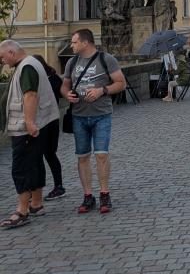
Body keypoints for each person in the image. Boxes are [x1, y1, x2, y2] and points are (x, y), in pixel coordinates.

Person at [59, 30, 126, 214]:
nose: (71, 45)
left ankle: (104, 193)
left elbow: (121, 83)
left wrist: (102, 90)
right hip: (79, 115)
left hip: (101, 114)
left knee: (101, 155)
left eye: (74, 42)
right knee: (82, 157)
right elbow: (64, 86)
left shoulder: (106, 59)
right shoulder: (72, 62)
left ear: (85, 43)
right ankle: (88, 196)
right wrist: (67, 94)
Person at [0, 40, 60, 229]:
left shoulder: (26, 67)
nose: (3, 61)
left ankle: (22, 210)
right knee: (34, 163)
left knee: (21, 167)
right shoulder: (31, 62)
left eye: (2, 57)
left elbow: (30, 95)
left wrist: (29, 122)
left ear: (11, 52)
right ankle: (36, 204)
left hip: (25, 127)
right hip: (38, 123)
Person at [33, 54, 66, 198]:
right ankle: (58, 186)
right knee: (50, 154)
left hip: (43, 122)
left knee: (40, 156)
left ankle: (36, 191)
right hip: (53, 121)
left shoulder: (42, 80)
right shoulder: (54, 78)